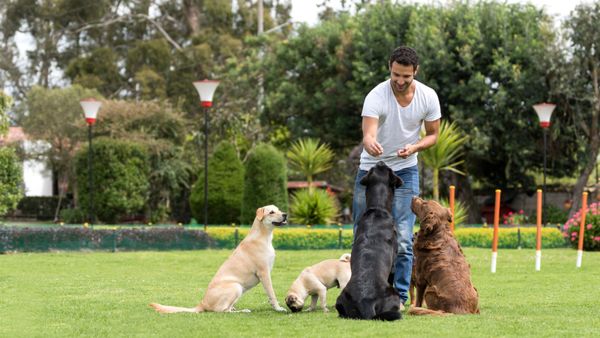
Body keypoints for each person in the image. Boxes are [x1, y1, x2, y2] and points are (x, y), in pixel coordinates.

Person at [352, 46, 441, 310]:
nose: (400, 81)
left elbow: (433, 135)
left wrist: (415, 147)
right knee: (362, 233)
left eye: (406, 76)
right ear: (389, 67)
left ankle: (399, 298)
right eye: (395, 75)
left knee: (402, 237)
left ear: (416, 71)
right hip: (371, 172)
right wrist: (369, 142)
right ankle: (359, 289)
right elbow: (368, 131)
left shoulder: (428, 96)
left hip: (404, 171)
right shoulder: (376, 95)